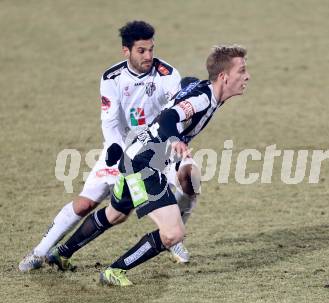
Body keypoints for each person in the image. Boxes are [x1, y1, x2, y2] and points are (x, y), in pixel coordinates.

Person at [47, 44, 250, 286]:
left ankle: (61, 253)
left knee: (116, 214)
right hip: (144, 165)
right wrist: (176, 139)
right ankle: (115, 271)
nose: (247, 76)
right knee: (173, 233)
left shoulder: (205, 90)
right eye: (242, 71)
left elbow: (186, 85)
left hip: (134, 155)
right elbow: (169, 118)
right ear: (224, 77)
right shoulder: (203, 100)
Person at [19, 21, 200, 272]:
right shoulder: (112, 78)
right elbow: (110, 121)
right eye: (141, 51)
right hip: (121, 148)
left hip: (158, 149)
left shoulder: (167, 74)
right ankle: (39, 252)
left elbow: (174, 111)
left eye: (151, 49)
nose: (148, 56)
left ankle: (172, 237)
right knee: (88, 205)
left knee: (189, 178)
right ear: (126, 51)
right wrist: (116, 149)